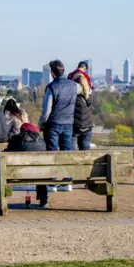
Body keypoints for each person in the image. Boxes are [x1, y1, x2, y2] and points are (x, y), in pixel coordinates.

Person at [38, 60, 83, 204]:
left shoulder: (51, 87)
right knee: (67, 151)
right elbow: (84, 90)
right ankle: (67, 180)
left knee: (52, 151)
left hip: (53, 124)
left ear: (52, 72)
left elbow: (47, 110)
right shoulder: (74, 86)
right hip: (68, 123)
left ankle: (52, 182)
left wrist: (41, 123)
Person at [0, 123, 46, 208]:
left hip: (15, 174)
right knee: (42, 172)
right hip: (38, 174)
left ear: (22, 130)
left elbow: (6, 154)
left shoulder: (15, 139)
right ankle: (44, 200)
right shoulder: (41, 141)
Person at [68, 62, 93, 150]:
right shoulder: (87, 100)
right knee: (85, 150)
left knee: (71, 149)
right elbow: (89, 91)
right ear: (85, 68)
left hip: (73, 125)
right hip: (86, 126)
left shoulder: (70, 75)